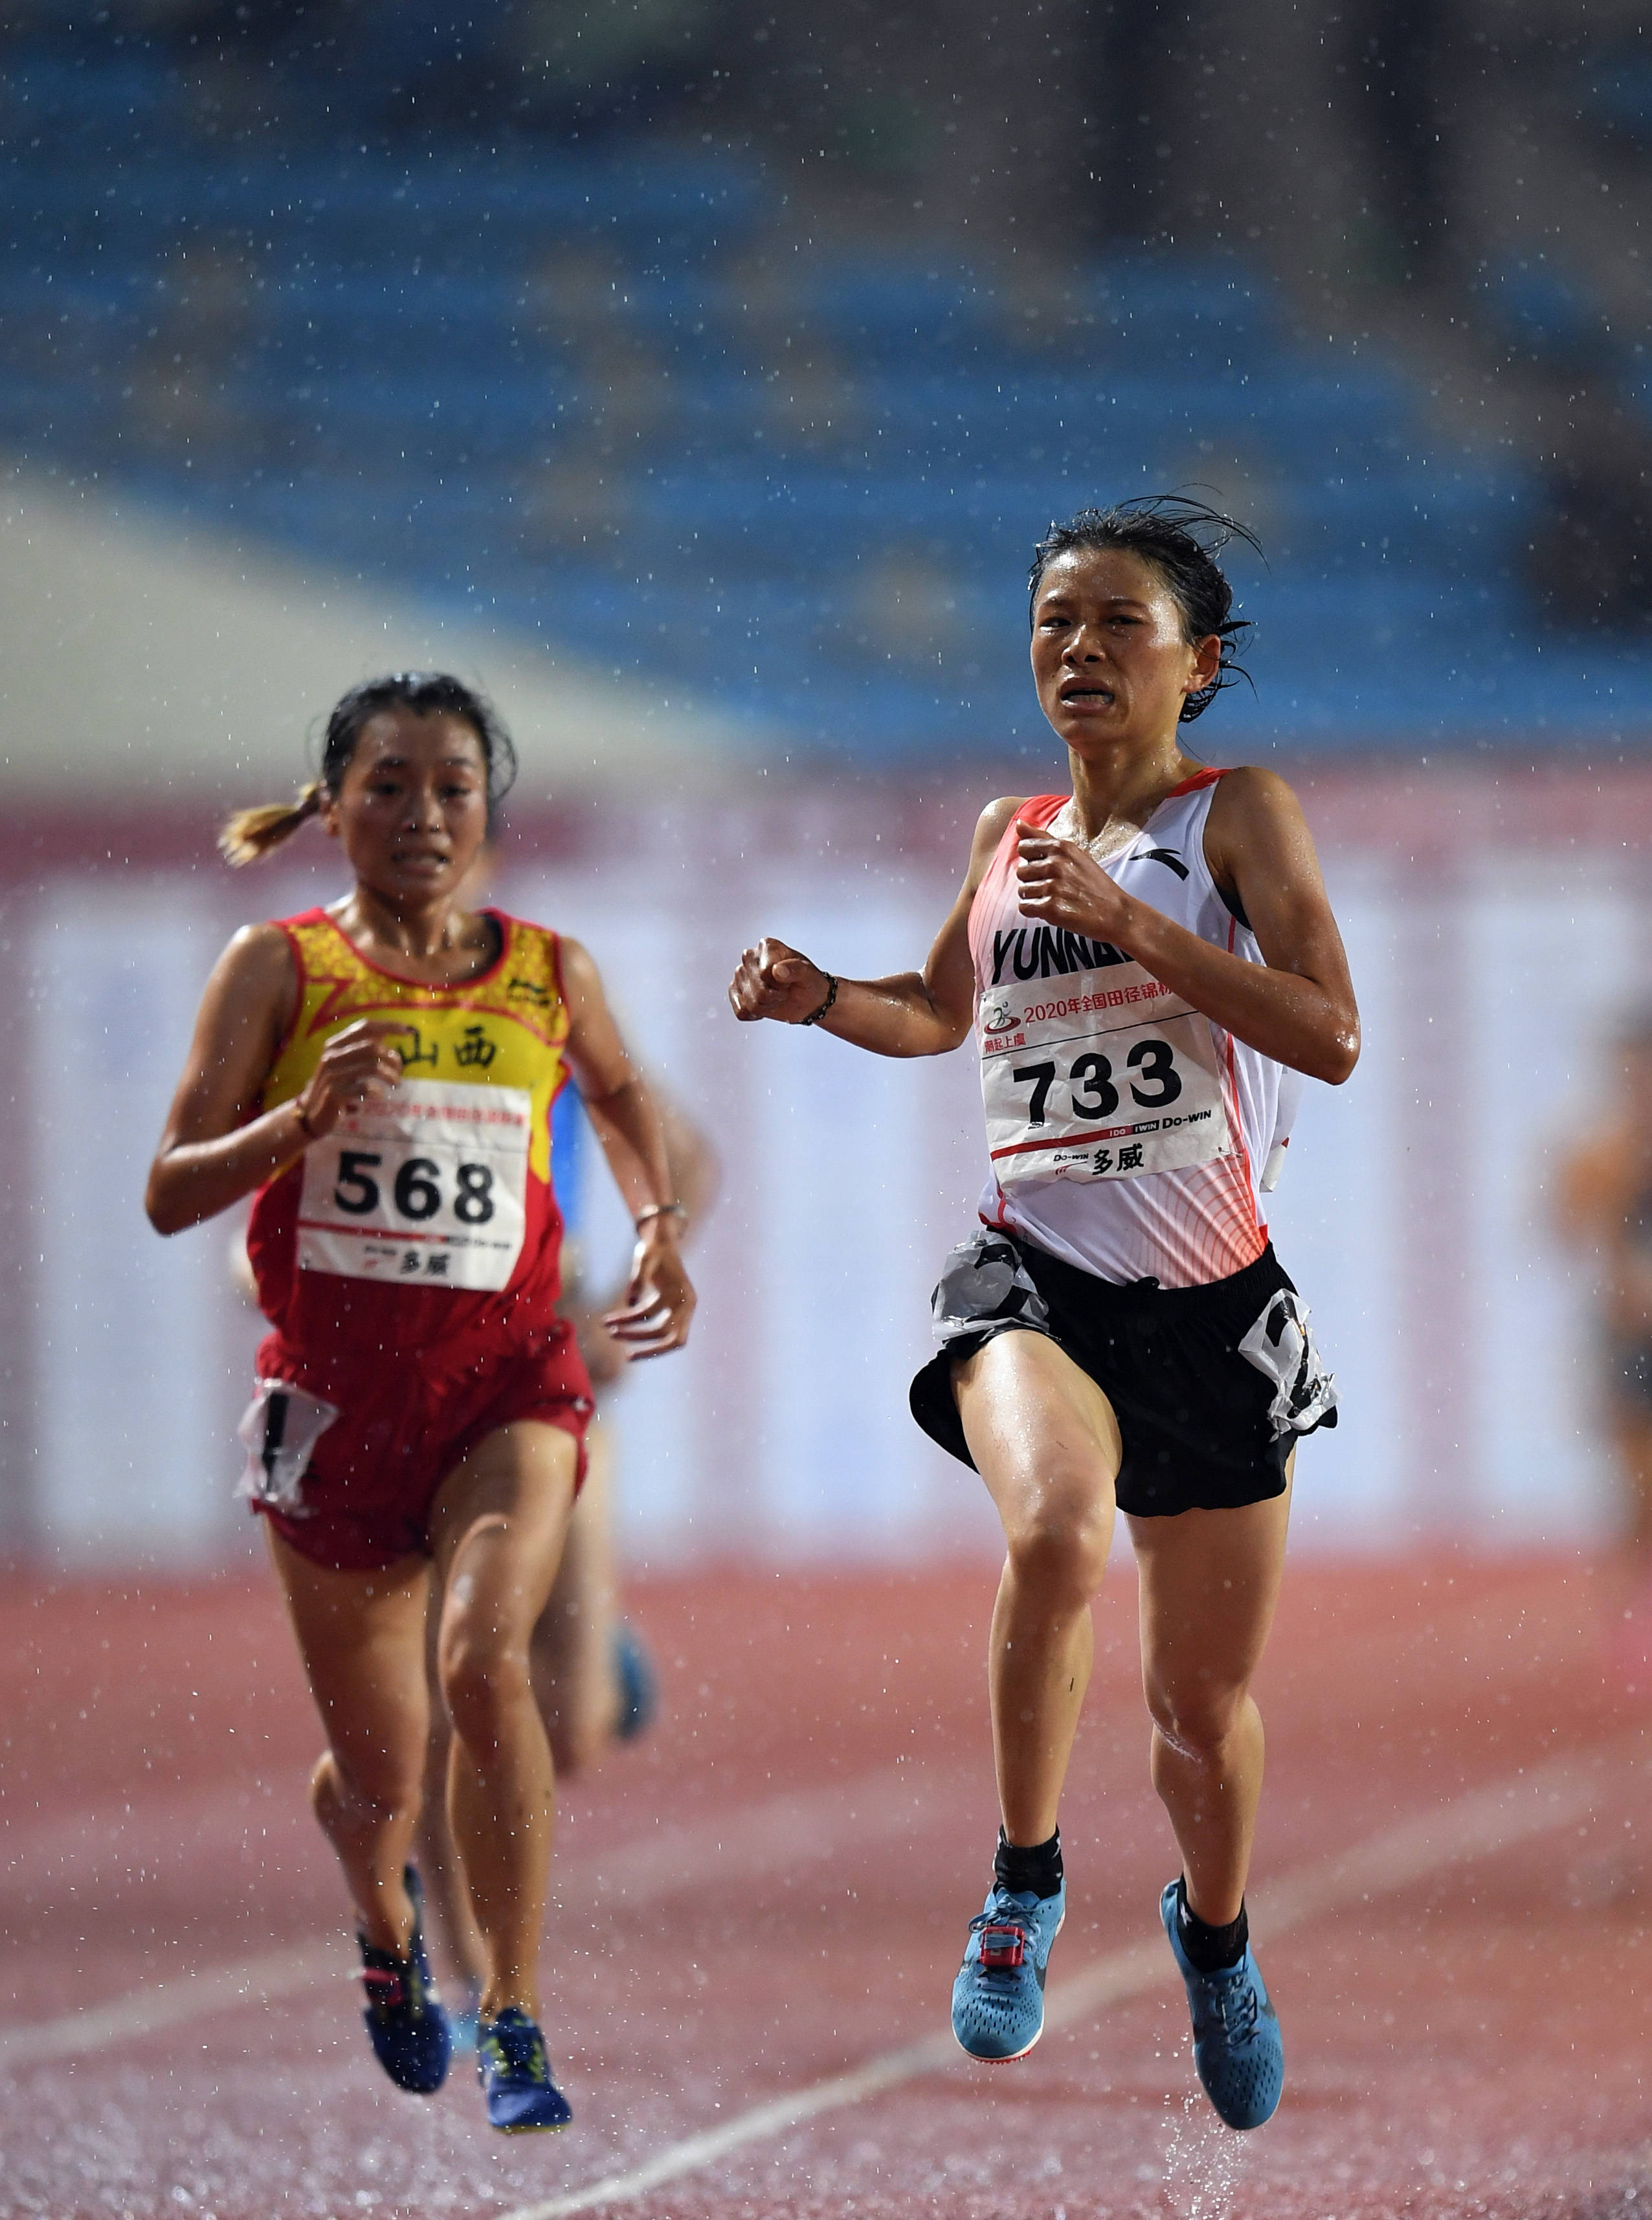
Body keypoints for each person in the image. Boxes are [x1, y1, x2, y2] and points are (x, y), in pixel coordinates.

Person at [728, 499, 1357, 2131]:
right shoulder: (1006, 836)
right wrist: (820, 998)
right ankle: (1019, 1878)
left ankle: (1211, 1937)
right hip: (1034, 1282)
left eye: (1116, 624)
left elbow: (1330, 1034)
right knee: (1057, 1529)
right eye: (1053, 623)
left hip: (1213, 1313)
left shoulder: (1236, 819)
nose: (1076, 650)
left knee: (1196, 1713)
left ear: (1195, 664)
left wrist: (1133, 918)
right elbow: (942, 1008)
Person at [145, 673, 695, 2133]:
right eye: (388, 786)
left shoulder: (548, 970)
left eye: (453, 787)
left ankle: (511, 2012)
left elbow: (640, 1110)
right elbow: (166, 1190)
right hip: (334, 1416)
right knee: (381, 1778)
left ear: (487, 815)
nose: (422, 815)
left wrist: (654, 1241)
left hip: (509, 1388)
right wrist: (293, 1123)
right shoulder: (274, 968)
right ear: (333, 809)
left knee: (481, 1665)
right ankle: (379, 1916)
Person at [415, 1079, 719, 2028]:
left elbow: (690, 1160)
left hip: (558, 1400)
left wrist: (625, 1297)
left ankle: (596, 1652)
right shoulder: (374, 1063)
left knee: (573, 1727)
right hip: (425, 1416)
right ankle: (474, 1984)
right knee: (443, 1702)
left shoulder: (559, 1057)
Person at [1554, 1006, 1652, 1679]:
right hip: (1631, 1341)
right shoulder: (1602, 1151)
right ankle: (1632, 1614)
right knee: (1638, 1488)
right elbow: (1566, 1229)